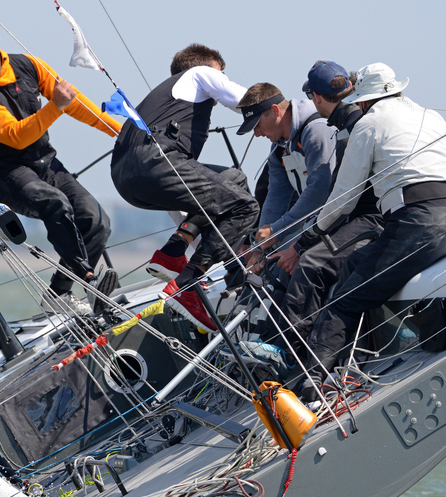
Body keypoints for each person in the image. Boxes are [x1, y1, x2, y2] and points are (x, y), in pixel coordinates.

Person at [296, 63, 446, 400]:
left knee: (343, 303)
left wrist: (310, 236)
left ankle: (312, 387)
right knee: (358, 265)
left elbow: (345, 198)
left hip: (416, 226)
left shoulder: (369, 124)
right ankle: (377, 353)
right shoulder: (431, 116)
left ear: (364, 101)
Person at [0, 26, 121, 315]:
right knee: (55, 204)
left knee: (95, 220)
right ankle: (87, 277)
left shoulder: (29, 64)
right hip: (5, 174)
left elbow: (73, 100)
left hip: (44, 163)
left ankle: (58, 295)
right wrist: (56, 106)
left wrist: (117, 131)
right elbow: (16, 135)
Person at [110, 44, 258, 332]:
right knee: (245, 205)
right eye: (222, 73)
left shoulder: (162, 103)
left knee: (233, 180)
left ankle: (172, 252)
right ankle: (188, 284)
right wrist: (278, 110)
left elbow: (194, 199)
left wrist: (192, 240)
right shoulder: (200, 74)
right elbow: (246, 100)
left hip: (126, 176)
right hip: (154, 163)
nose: (223, 78)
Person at [260, 62, 384, 363]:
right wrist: (266, 241)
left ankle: (290, 354)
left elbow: (333, 196)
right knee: (282, 265)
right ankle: (269, 342)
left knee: (311, 262)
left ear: (316, 97)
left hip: (373, 219)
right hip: (360, 215)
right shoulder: (351, 126)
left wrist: (300, 244)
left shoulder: (349, 129)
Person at [235, 82, 337, 271]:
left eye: (256, 124)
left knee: (283, 268)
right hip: (313, 224)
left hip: (339, 221)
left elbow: (319, 191)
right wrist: (259, 248)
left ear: (275, 111)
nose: (256, 133)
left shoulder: (317, 130)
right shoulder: (278, 147)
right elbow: (276, 195)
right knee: (269, 266)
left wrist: (276, 230)